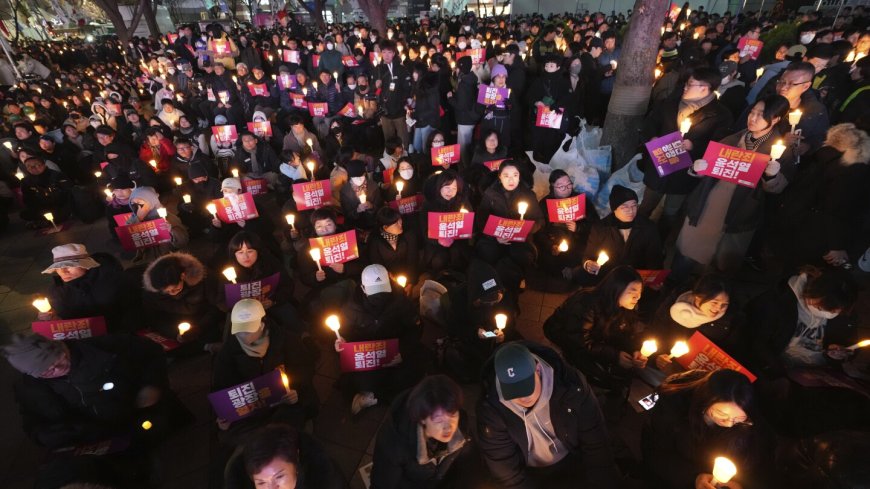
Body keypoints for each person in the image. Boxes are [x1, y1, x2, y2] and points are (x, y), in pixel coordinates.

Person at [674, 95, 792, 281]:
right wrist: (696, 169)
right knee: (687, 253)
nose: (752, 118)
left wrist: (772, 176)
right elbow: (705, 168)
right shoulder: (732, 139)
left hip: (738, 213)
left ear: (775, 118)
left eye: (760, 115)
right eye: (752, 112)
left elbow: (777, 189)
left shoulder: (779, 150)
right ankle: (675, 285)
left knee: (720, 265)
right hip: (708, 205)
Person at [477, 342, 619, 488]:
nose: (523, 397)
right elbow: (506, 471)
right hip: (530, 473)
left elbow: (596, 443)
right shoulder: (492, 409)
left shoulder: (571, 385)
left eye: (527, 387)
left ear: (538, 369)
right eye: (514, 391)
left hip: (573, 457)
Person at [2, 333, 182, 449]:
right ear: (35, 375)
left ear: (61, 347)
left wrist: (152, 384)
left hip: (138, 415)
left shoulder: (105, 346)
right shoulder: (32, 388)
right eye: (48, 371)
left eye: (59, 359)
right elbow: (34, 424)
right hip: (95, 439)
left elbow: (152, 352)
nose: (60, 368)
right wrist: (55, 435)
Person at [638, 67, 733, 236]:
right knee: (646, 205)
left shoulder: (720, 115)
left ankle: (660, 241)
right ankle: (636, 235)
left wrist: (694, 145)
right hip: (659, 164)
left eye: (690, 84)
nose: (685, 87)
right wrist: (652, 137)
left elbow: (719, 146)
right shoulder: (670, 103)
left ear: (705, 88)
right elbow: (650, 123)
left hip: (684, 173)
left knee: (671, 212)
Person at [642, 369, 773, 489]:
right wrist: (694, 478)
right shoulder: (673, 407)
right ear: (704, 401)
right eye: (722, 415)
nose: (729, 424)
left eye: (738, 418)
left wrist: (739, 483)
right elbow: (656, 453)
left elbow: (756, 464)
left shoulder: (749, 424)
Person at [213, 299, 318, 438]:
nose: (242, 335)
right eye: (239, 330)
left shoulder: (286, 339)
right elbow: (222, 385)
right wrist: (225, 414)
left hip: (284, 402)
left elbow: (304, 369)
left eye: (248, 330)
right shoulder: (228, 351)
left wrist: (295, 392)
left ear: (262, 325)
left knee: (287, 423)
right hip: (253, 409)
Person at [543, 265, 647, 389]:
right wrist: (614, 356)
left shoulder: (625, 306)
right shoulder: (586, 303)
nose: (638, 297)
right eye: (632, 292)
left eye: (640, 292)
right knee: (601, 376)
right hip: (564, 335)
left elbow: (625, 333)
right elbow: (579, 341)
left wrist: (634, 351)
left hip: (593, 338)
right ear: (616, 289)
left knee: (621, 375)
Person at [371, 375, 477, 489]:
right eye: (439, 420)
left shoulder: (462, 427)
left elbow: (469, 465)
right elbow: (382, 484)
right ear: (422, 418)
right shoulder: (394, 443)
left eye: (453, 415)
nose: (448, 427)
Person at [475, 160, 544, 293]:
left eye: (515, 175)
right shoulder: (490, 194)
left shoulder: (528, 195)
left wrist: (525, 228)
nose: (511, 180)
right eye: (506, 175)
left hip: (521, 240)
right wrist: (495, 236)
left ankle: (517, 280)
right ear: (500, 177)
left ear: (519, 176)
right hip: (494, 238)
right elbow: (481, 219)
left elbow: (539, 220)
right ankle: (493, 284)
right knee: (488, 253)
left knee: (522, 256)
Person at [650, 274, 744, 370]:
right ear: (698, 297)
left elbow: (731, 348)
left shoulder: (730, 317)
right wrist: (659, 355)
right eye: (714, 302)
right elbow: (657, 332)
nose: (719, 308)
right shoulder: (674, 306)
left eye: (724, 304)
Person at [41, 243, 141, 334]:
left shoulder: (113, 280)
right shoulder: (56, 291)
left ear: (86, 265)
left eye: (69, 266)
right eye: (58, 267)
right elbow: (64, 319)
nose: (63, 271)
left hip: (120, 335)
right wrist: (53, 318)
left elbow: (134, 308)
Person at [576, 185, 662, 283]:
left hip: (635, 277)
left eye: (634, 206)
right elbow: (589, 255)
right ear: (614, 208)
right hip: (608, 275)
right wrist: (588, 264)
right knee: (581, 275)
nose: (631, 210)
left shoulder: (648, 227)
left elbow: (654, 259)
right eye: (624, 207)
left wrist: (654, 279)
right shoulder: (601, 227)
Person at [142, 252, 224, 352]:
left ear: (182, 276)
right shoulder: (153, 290)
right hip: (173, 323)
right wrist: (174, 334)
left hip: (201, 319)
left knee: (213, 333)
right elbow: (155, 317)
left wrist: (199, 328)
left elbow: (216, 307)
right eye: (166, 291)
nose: (171, 293)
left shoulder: (204, 278)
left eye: (174, 288)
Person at [224, 424, 345, 489]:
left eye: (279, 476)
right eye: (261, 483)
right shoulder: (238, 481)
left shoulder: (327, 480)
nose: (272, 488)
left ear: (296, 463)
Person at [534, 170, 586, 279]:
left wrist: (578, 228)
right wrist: (550, 245)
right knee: (548, 261)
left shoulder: (579, 200)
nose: (566, 189)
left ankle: (573, 271)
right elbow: (539, 230)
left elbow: (592, 224)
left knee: (583, 257)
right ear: (553, 186)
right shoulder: (545, 203)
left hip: (575, 241)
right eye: (561, 186)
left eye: (569, 185)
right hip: (554, 242)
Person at [420, 170, 473, 274]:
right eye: (447, 188)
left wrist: (463, 224)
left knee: (458, 258)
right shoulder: (428, 204)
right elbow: (424, 231)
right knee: (438, 262)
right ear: (439, 187)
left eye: (454, 188)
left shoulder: (462, 202)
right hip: (436, 243)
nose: (450, 192)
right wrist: (438, 240)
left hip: (457, 241)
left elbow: (470, 225)